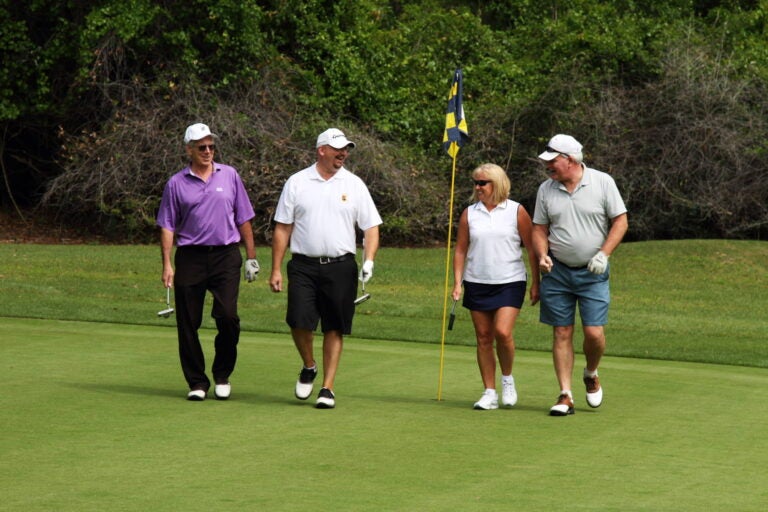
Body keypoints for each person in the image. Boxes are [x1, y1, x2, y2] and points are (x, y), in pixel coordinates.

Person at [269, 128, 382, 409]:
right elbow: (283, 228)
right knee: (298, 320)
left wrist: (369, 260)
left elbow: (371, 226)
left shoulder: (354, 184)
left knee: (334, 326)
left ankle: (327, 388)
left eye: (346, 149)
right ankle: (309, 365)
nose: (343, 153)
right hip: (303, 265)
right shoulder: (297, 182)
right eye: (337, 149)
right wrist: (276, 269)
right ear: (322, 150)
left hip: (341, 266)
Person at [156, 123, 260, 401]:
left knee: (228, 316)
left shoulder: (230, 175)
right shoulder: (176, 183)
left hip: (226, 255)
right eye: (201, 147)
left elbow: (244, 217)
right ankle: (197, 382)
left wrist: (251, 257)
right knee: (187, 321)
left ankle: (222, 374)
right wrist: (167, 263)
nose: (207, 151)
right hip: (190, 257)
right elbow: (167, 225)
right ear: (189, 149)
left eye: (211, 146)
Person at [532, 134, 628, 416]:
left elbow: (620, 221)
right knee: (561, 331)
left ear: (570, 160)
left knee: (594, 333)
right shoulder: (546, 190)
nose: (547, 167)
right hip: (557, 271)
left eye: (553, 161)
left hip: (592, 271)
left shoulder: (602, 182)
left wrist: (604, 254)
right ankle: (565, 395)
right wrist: (542, 255)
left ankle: (591, 372)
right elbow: (539, 228)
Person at [452, 163, 540, 410]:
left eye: (483, 183)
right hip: (477, 280)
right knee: (483, 338)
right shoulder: (470, 213)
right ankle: (489, 392)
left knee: (502, 332)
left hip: (510, 280)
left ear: (497, 184)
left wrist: (536, 282)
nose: (478, 187)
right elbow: (460, 249)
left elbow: (531, 249)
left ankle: (507, 379)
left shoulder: (516, 211)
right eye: (475, 183)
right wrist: (457, 282)